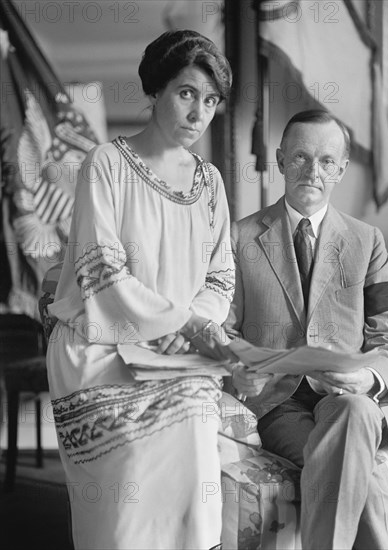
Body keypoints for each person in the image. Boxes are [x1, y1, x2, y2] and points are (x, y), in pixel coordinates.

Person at [46, 30, 234, 550]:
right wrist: (185, 323)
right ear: (155, 91)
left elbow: (220, 277)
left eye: (212, 100)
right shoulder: (105, 165)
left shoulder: (210, 182)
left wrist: (187, 326)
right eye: (187, 93)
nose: (199, 113)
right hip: (100, 347)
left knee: (196, 408)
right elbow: (103, 275)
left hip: (176, 352)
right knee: (144, 469)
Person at [224, 109, 388, 549]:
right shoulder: (239, 238)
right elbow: (222, 329)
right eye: (301, 157)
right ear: (280, 159)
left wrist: (366, 377)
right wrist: (241, 365)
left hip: (348, 395)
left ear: (341, 169)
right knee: (348, 462)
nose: (313, 171)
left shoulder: (368, 242)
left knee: (359, 411)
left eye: (327, 161)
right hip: (278, 403)